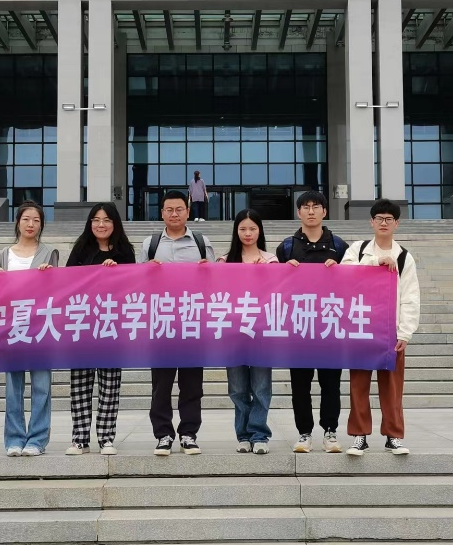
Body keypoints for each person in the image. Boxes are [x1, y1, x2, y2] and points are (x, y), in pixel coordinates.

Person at [341, 198, 420, 456]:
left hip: (390, 331)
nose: (383, 223)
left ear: (397, 223)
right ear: (371, 222)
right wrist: (376, 262)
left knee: (392, 387)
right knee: (358, 385)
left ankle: (393, 436)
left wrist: (405, 332)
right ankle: (359, 435)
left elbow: (410, 297)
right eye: (379, 218)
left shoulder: (404, 257)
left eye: (389, 219)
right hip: (361, 327)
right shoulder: (358, 249)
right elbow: (344, 274)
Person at [139, 189, 215, 455]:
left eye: (179, 209)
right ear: (162, 213)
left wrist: (208, 271)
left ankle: (188, 433)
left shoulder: (201, 241)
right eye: (169, 210)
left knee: (192, 383)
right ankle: (163, 434)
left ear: (188, 212)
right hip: (162, 323)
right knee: (161, 384)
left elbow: (216, 283)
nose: (174, 214)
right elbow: (137, 283)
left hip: (193, 321)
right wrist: (146, 271)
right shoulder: (150, 244)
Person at [275, 190, 349, 454]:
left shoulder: (340, 246)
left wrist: (339, 272)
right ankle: (304, 433)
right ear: (298, 212)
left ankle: (330, 431)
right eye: (305, 207)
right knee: (300, 385)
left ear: (324, 211)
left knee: (331, 384)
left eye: (315, 206)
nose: (310, 211)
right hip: (299, 326)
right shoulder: (286, 247)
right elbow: (275, 285)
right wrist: (285, 271)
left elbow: (353, 283)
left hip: (330, 325)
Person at [64, 202, 136, 456]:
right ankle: (79, 439)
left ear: (115, 224)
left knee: (109, 386)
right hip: (83, 324)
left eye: (106, 220)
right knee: (80, 385)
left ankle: (106, 438)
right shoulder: (81, 249)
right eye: (96, 220)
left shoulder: (125, 252)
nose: (101, 224)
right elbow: (66, 282)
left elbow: (133, 286)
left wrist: (116, 274)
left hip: (111, 326)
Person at [0, 200, 59, 457]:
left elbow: (57, 289)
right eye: (26, 219)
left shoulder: (49, 252)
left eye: (36, 220)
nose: (31, 224)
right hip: (13, 326)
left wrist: (50, 274)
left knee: (41, 385)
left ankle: (37, 439)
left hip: (41, 325)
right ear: (18, 222)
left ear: (42, 224)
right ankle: (14, 438)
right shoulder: (5, 253)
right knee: (13, 385)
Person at [217, 209, 277, 454]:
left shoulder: (271, 260)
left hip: (261, 332)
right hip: (233, 334)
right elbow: (217, 293)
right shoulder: (224, 261)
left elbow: (278, 293)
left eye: (252, 228)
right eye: (243, 229)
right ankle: (243, 435)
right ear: (236, 231)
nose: (248, 233)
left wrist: (267, 273)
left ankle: (259, 434)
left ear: (260, 231)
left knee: (261, 387)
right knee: (238, 388)